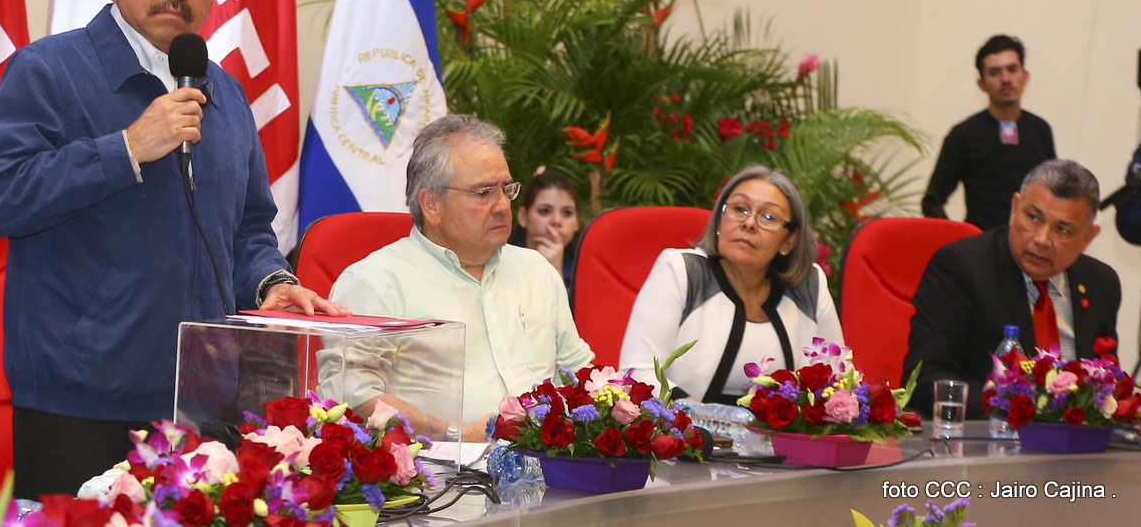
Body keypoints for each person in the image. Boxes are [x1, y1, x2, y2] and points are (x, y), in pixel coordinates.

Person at [0, 0, 344, 500]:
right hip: (80, 406)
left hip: (204, 403)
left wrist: (270, 281)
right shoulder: (48, 71)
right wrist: (126, 148)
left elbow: (248, 227)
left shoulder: (225, 94)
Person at [323, 114, 594, 441]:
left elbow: (578, 372)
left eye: (505, 189)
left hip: (548, 459)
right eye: (483, 193)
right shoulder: (376, 281)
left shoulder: (536, 270)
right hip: (437, 466)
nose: (501, 206)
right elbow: (352, 394)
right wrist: (456, 435)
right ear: (431, 205)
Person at [903, 159, 1120, 419]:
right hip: (987, 436)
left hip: (1076, 440)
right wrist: (1025, 410)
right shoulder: (962, 268)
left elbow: (1105, 380)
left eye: (1062, 229)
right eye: (1033, 218)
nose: (1041, 239)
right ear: (1014, 208)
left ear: (1088, 237)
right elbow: (926, 380)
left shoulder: (1101, 283)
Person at [619, 165, 843, 404]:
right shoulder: (682, 270)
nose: (749, 223)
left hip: (780, 430)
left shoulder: (808, 285)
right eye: (739, 209)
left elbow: (838, 382)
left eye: (768, 217)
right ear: (719, 221)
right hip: (685, 425)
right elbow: (638, 373)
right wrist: (707, 417)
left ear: (789, 239)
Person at [922, 34, 1056, 231]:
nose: (1006, 79)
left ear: (1025, 76)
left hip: (1031, 243)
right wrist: (961, 241)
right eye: (995, 72)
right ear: (982, 84)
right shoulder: (963, 135)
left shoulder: (1041, 130)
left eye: (1012, 69)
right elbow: (932, 202)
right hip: (981, 244)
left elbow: (1054, 194)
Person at [510, 167, 581, 290]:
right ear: (523, 217)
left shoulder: (587, 266)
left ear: (577, 223)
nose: (557, 221)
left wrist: (555, 271)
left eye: (567, 213)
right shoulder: (502, 259)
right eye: (545, 211)